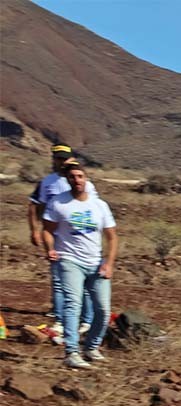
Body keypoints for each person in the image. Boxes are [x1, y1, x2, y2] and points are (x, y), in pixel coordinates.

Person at [41, 163, 117, 370]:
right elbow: (47, 230)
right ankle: (71, 352)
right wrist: (49, 248)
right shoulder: (58, 203)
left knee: (103, 309)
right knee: (72, 304)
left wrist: (109, 264)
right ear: (67, 180)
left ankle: (91, 348)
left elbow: (112, 237)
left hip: (96, 263)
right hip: (69, 260)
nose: (77, 180)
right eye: (72, 177)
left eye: (80, 176)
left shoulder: (99, 205)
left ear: (86, 179)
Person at [27, 146, 98, 341]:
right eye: (59, 158)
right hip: (56, 237)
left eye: (65, 158)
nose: (62, 162)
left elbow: (93, 208)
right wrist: (35, 230)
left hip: (79, 237)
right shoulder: (48, 182)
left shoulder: (81, 181)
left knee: (84, 281)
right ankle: (60, 321)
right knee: (59, 281)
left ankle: (87, 320)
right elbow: (35, 205)